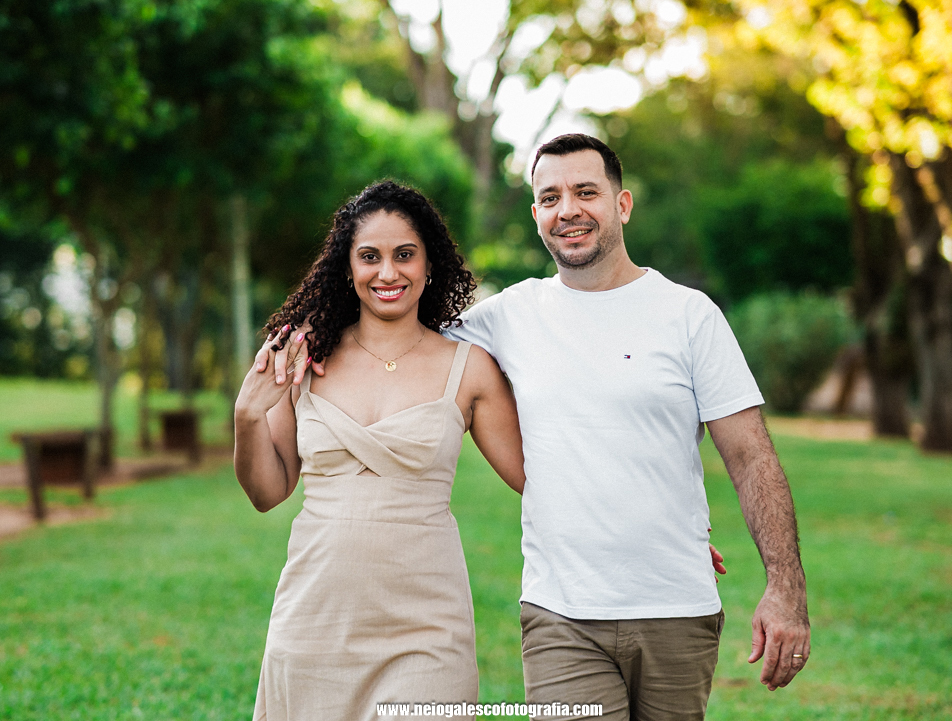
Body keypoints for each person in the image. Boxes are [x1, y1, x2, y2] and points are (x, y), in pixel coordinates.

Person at [264, 136, 805, 720]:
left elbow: (751, 456)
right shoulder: (506, 318)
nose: (568, 209)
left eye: (585, 192)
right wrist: (311, 333)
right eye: (550, 197)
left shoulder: (690, 316)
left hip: (677, 604)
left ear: (622, 204)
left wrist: (784, 587)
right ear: (536, 215)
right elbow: (397, 316)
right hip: (560, 613)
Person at [233, 180, 526, 721]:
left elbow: (535, 479)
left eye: (404, 255)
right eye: (370, 257)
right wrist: (248, 416)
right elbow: (267, 492)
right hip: (314, 620)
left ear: (429, 264)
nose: (387, 272)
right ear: (347, 268)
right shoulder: (304, 357)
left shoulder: (470, 368)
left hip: (427, 627)